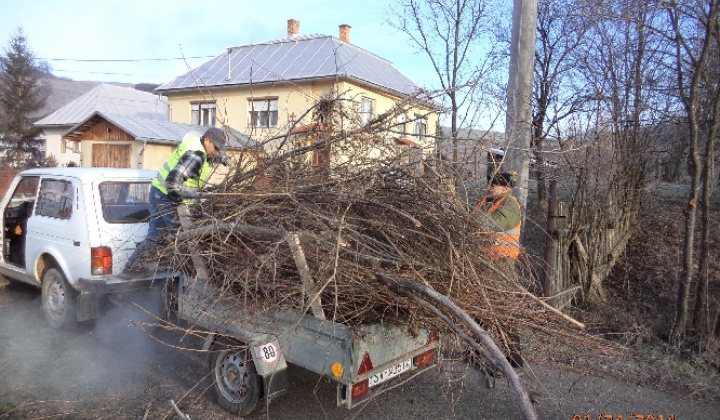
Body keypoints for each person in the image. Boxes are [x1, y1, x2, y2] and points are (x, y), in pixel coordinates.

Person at [119, 127, 227, 279]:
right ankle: (190, 275)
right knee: (183, 237)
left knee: (156, 235)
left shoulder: (196, 144)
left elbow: (202, 161)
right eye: (216, 148)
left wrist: (220, 157)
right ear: (207, 140)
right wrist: (194, 197)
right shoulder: (196, 155)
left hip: (157, 191)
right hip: (167, 197)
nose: (216, 151)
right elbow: (173, 183)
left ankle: (132, 268)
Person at [471, 171, 524, 380]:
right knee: (479, 307)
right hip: (485, 264)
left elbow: (487, 225)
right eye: (491, 184)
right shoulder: (487, 202)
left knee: (501, 311)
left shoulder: (509, 205)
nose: (491, 187)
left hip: (501, 266)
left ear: (506, 188)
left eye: (495, 185)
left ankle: (514, 358)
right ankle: (473, 352)